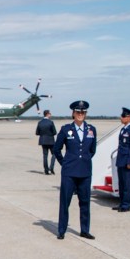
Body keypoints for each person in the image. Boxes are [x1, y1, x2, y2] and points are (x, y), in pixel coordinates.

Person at [53, 100, 97, 240]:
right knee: (65, 202)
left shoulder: (91, 129)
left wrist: (83, 160)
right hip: (69, 172)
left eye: (83, 112)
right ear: (73, 113)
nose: (80, 114)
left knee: (85, 203)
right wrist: (65, 163)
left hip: (84, 172)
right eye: (78, 112)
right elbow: (56, 149)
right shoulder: (66, 129)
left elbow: (92, 150)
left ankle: (85, 230)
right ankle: (61, 230)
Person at [112, 107, 130, 212]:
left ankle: (126, 205)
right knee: (122, 184)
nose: (121, 117)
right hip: (121, 161)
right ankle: (122, 203)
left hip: (128, 162)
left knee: (127, 184)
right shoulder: (124, 129)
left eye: (123, 116)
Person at [35, 109, 57, 175]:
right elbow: (55, 132)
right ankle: (51, 167)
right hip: (50, 140)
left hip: (43, 140)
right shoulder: (51, 122)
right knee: (54, 154)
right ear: (47, 114)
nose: (50, 114)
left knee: (45, 155)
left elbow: (37, 133)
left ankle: (46, 170)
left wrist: (43, 134)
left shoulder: (40, 122)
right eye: (50, 113)